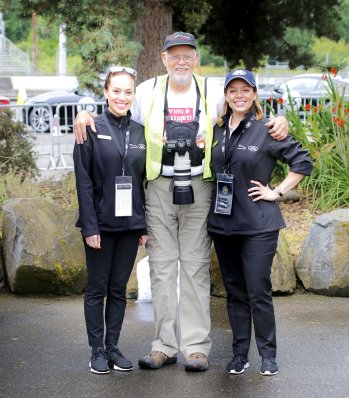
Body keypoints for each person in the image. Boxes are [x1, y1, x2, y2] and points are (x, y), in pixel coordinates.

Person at [74, 32, 289, 372]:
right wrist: (86, 115)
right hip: (158, 187)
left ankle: (196, 347)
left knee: (195, 266)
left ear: (196, 58)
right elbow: (120, 114)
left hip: (200, 189)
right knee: (161, 268)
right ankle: (163, 345)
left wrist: (279, 120)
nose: (181, 61)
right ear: (163, 59)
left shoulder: (212, 89)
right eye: (174, 55)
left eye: (187, 54)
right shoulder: (146, 91)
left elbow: (243, 110)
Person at [207, 69, 312, 376]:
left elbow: (302, 162)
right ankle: (240, 354)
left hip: (257, 226)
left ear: (254, 94)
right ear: (226, 96)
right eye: (233, 90)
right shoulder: (216, 130)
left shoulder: (268, 129)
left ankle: (268, 354)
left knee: (257, 290)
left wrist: (277, 192)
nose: (239, 95)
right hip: (223, 225)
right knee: (235, 292)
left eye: (245, 90)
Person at [73, 66, 148, 375]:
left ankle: (113, 346)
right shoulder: (89, 126)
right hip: (100, 226)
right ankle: (96, 350)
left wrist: (143, 224)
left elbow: (143, 180)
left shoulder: (141, 132)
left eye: (127, 91)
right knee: (97, 288)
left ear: (133, 95)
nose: (122, 97)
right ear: (105, 92)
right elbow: (84, 181)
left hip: (130, 225)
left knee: (119, 288)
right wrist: (90, 226)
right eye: (116, 90)